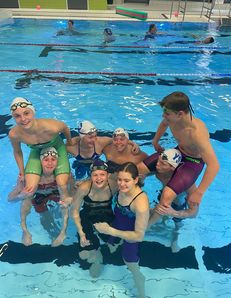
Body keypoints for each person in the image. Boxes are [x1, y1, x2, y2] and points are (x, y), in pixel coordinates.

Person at [149, 91, 219, 226]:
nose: (164, 116)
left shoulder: (197, 133)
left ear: (180, 114)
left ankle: (144, 229)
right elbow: (164, 124)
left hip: (193, 161)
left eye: (167, 113)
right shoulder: (173, 118)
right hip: (179, 152)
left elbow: (214, 165)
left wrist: (199, 193)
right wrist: (155, 141)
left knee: (167, 197)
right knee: (140, 169)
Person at [94, 162, 149, 298]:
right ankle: (112, 246)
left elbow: (139, 236)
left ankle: (141, 291)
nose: (121, 184)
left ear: (136, 180)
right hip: (117, 223)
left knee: (130, 263)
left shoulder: (140, 203)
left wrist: (109, 231)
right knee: (109, 245)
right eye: (120, 179)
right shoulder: (120, 187)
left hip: (131, 235)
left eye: (127, 180)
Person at [9, 97, 73, 206]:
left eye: (26, 113)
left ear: (33, 112)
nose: (23, 119)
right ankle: (22, 198)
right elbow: (17, 152)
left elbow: (65, 128)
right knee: (30, 188)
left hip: (57, 146)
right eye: (17, 116)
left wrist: (69, 143)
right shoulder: (14, 134)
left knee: (62, 184)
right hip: (36, 151)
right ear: (13, 117)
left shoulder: (51, 127)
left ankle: (66, 204)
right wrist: (22, 172)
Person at [8, 147, 73, 247]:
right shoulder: (28, 177)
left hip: (56, 193)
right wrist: (22, 195)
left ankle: (63, 231)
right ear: (40, 162)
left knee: (64, 203)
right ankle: (25, 230)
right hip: (38, 196)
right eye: (46, 160)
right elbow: (10, 199)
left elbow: (73, 190)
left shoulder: (64, 175)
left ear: (57, 161)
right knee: (27, 200)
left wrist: (70, 198)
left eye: (53, 160)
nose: (50, 163)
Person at [70, 159, 117, 278]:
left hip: (107, 215)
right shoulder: (84, 188)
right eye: (95, 175)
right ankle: (97, 256)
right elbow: (74, 211)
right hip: (87, 216)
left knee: (115, 244)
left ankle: (100, 248)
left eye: (102, 174)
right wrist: (81, 234)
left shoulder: (114, 185)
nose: (99, 178)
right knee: (84, 254)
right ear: (90, 176)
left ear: (108, 175)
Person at [67, 122, 140, 180]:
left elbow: (118, 140)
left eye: (95, 136)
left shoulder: (101, 142)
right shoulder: (72, 147)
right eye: (90, 137)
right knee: (79, 179)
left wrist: (133, 143)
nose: (94, 139)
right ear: (81, 137)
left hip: (96, 164)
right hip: (80, 164)